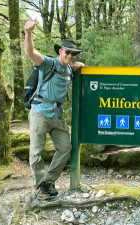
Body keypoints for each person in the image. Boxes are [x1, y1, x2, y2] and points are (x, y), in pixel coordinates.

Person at [24, 18, 85, 198]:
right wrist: (28, 33)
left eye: (74, 54)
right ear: (60, 51)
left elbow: (70, 73)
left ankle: (48, 181)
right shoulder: (48, 63)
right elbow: (30, 52)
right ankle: (39, 186)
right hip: (40, 112)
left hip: (57, 116)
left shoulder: (68, 70)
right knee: (36, 151)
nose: (70, 56)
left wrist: (77, 69)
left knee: (66, 147)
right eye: (68, 52)